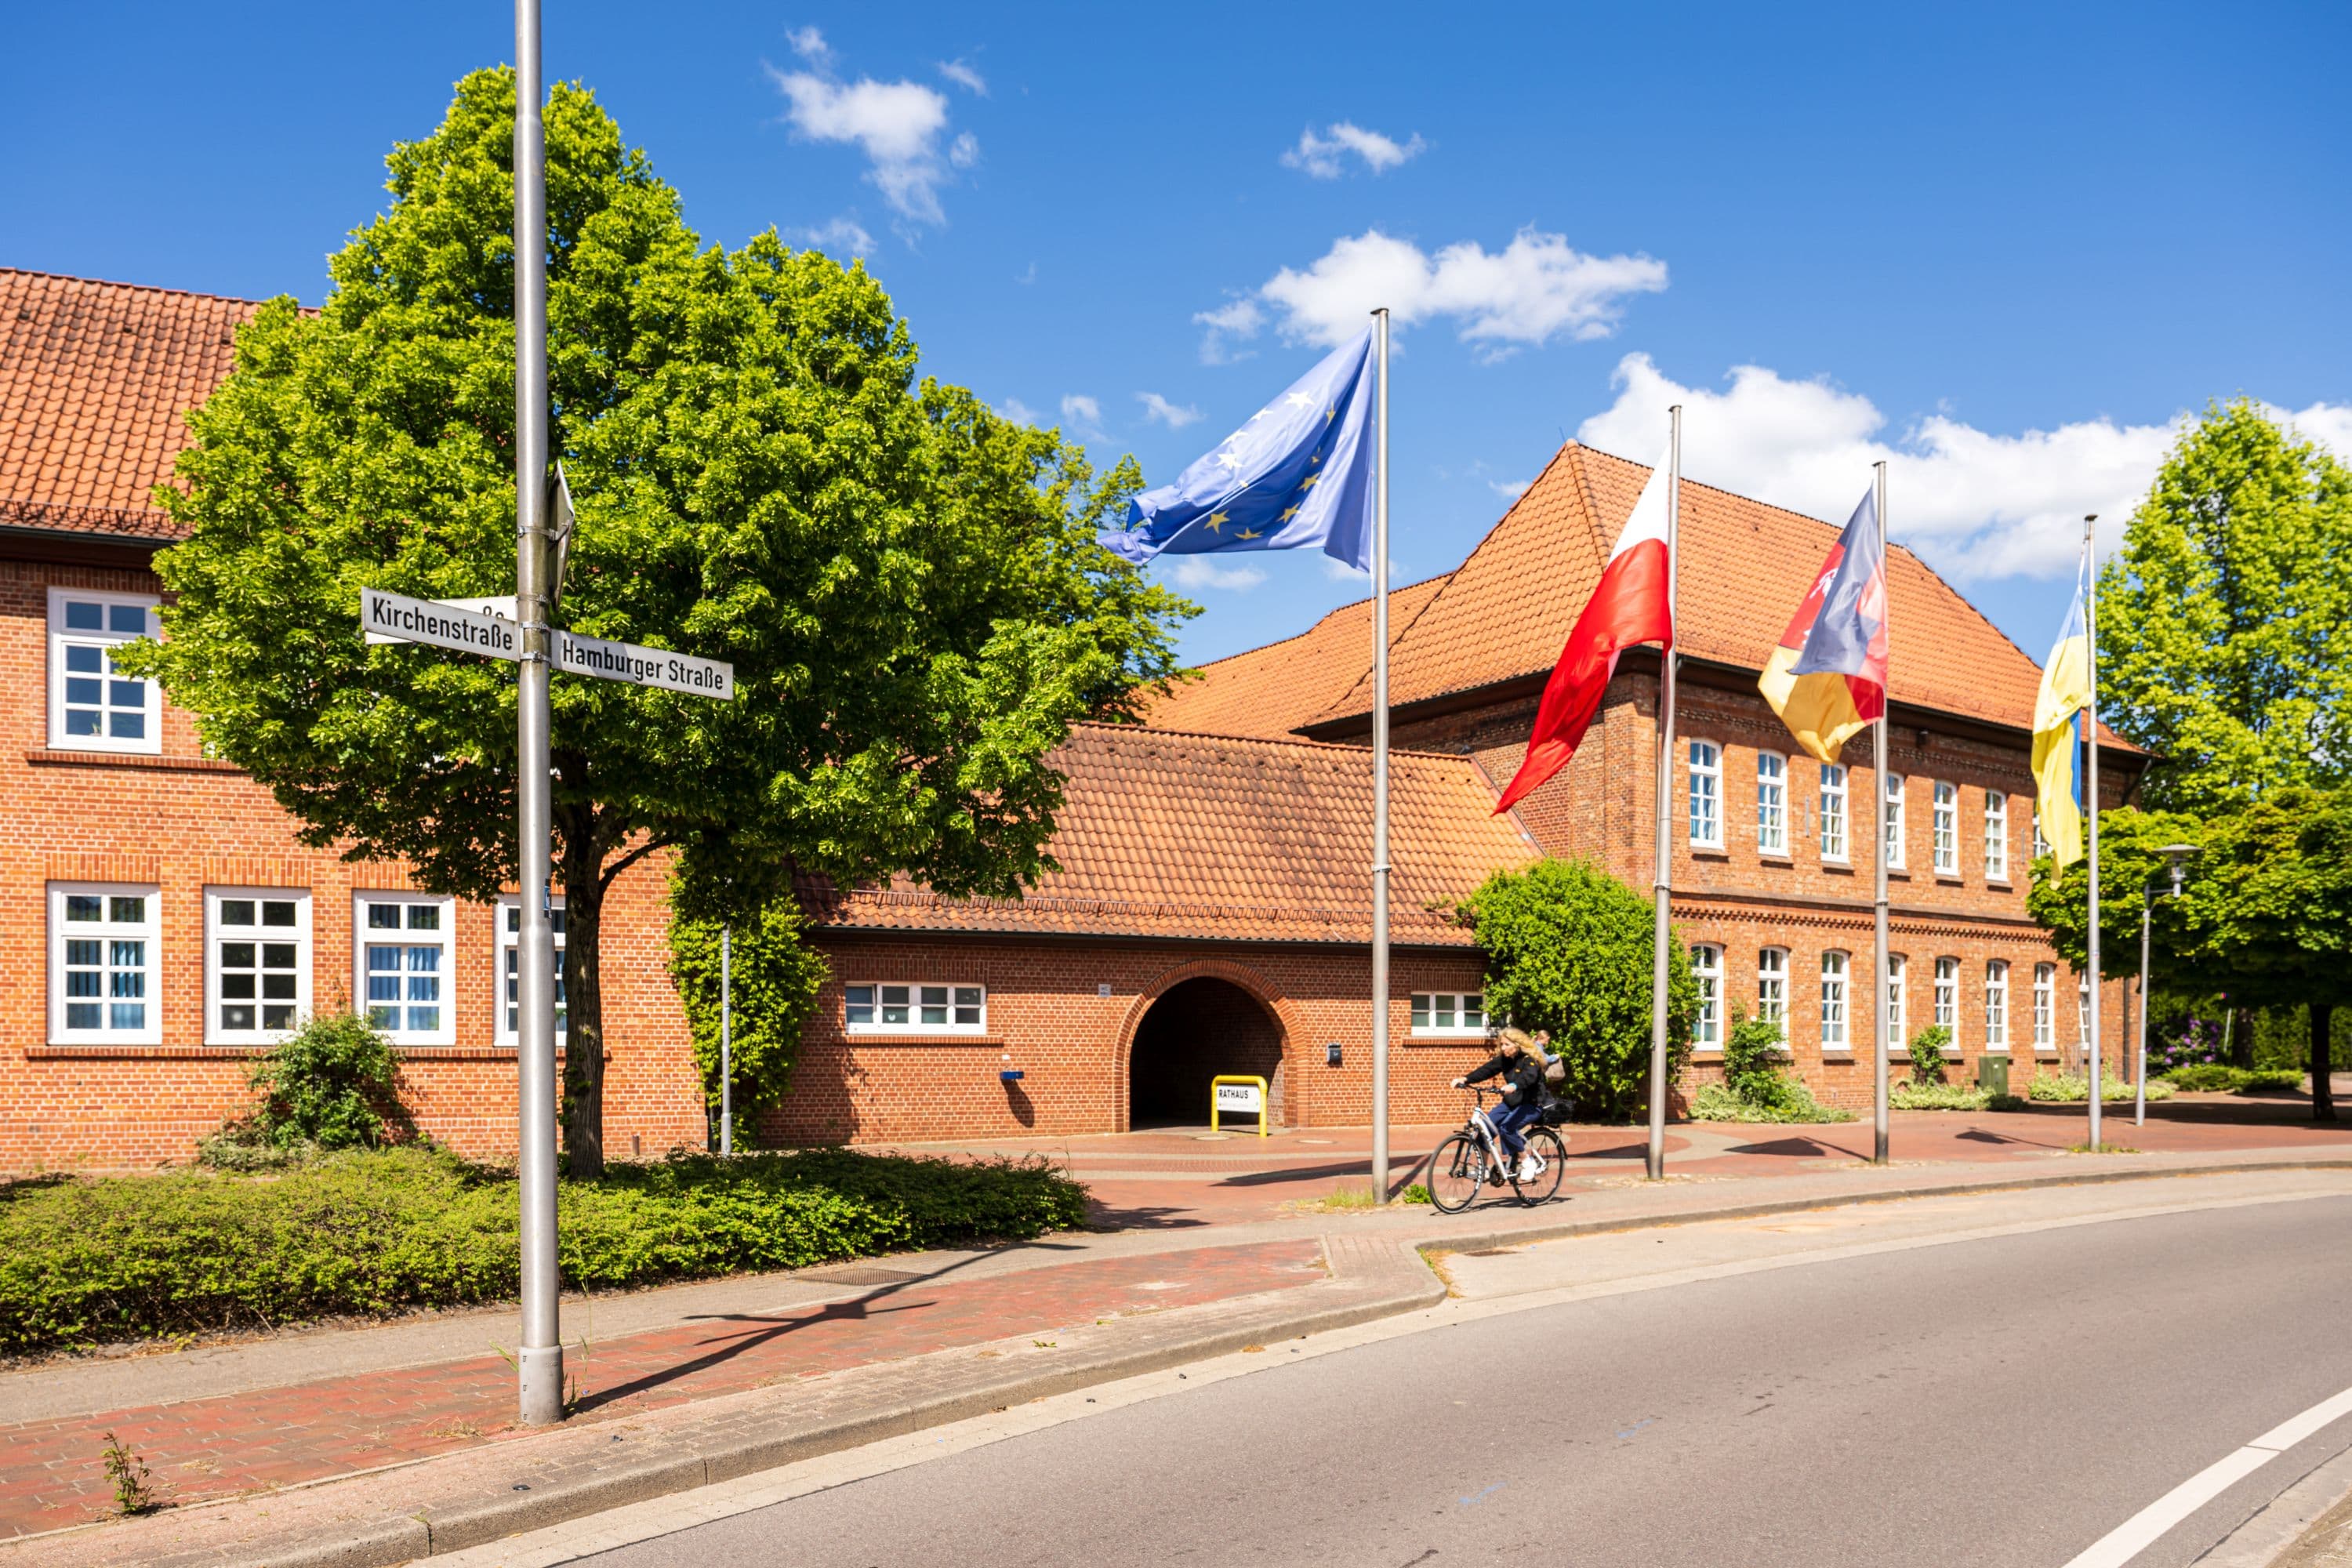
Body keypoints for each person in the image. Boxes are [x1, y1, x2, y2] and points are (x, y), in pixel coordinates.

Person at [1452, 1026, 1550, 1182]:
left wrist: (1514, 1086)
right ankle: (1482, 1169)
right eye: (1502, 1044)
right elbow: (1487, 1070)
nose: (1503, 1048)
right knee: (1485, 1129)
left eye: (1506, 1044)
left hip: (1531, 1104)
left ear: (1516, 1045)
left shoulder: (1529, 1059)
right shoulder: (1505, 1059)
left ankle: (1527, 1161)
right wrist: (1465, 1079)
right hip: (1511, 1103)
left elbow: (1529, 1077)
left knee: (1507, 1127)